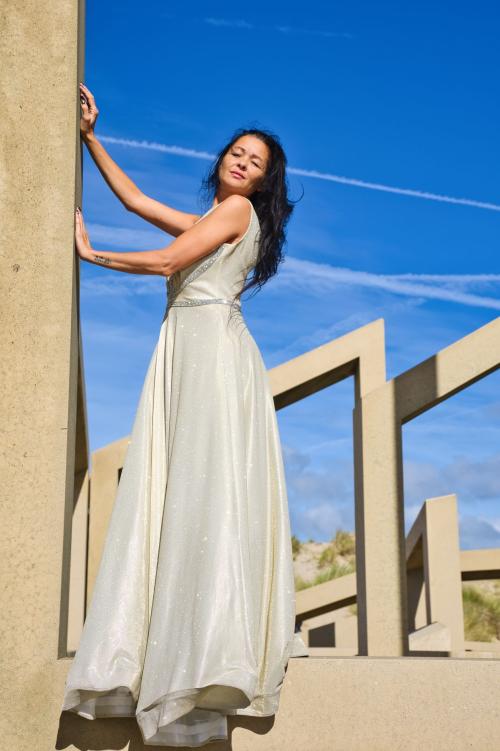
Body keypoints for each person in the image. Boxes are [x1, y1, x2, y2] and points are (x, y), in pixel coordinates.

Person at [61, 82, 307, 747]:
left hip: (211, 356)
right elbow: (138, 202)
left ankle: (198, 659)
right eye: (237, 152)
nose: (242, 162)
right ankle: (165, 653)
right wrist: (89, 137)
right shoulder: (215, 215)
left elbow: (169, 260)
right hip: (192, 349)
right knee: (182, 491)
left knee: (199, 491)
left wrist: (93, 256)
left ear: (263, 185)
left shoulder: (234, 215)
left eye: (255, 162)